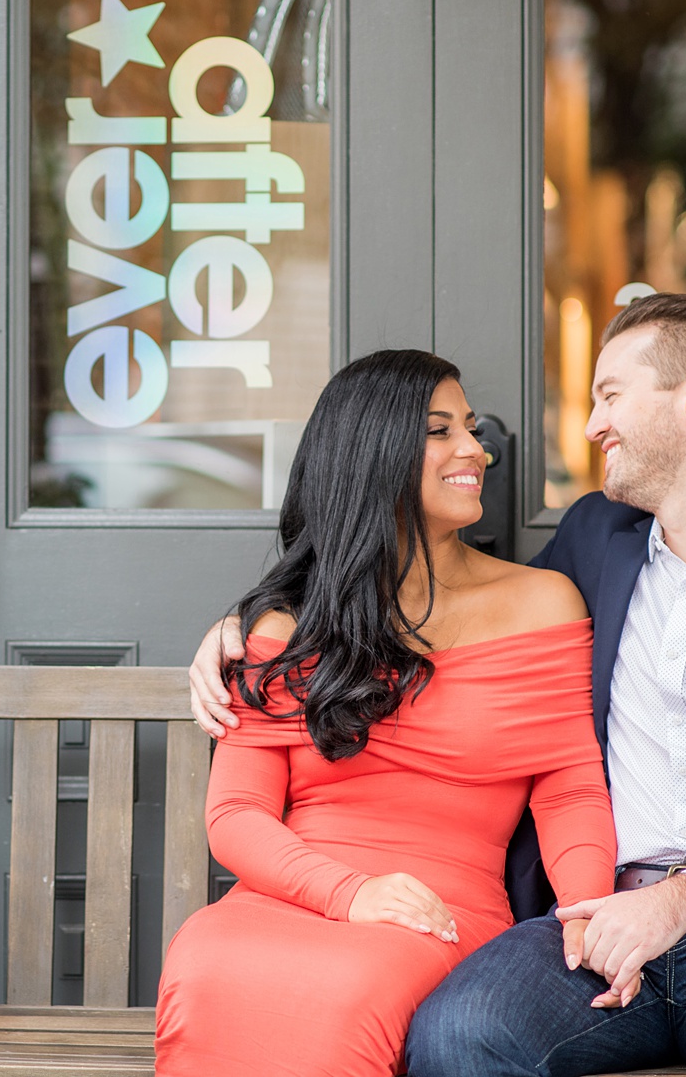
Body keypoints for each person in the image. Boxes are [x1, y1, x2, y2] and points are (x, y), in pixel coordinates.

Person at [187, 295, 686, 1077]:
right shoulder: (594, 540)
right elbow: (427, 620)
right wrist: (253, 622)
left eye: (609, 394)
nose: (588, 425)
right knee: (460, 1033)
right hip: (589, 921)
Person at [154, 349, 619, 1077]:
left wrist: (588, 908)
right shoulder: (288, 624)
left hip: (442, 910)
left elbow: (569, 785)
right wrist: (351, 892)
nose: (475, 449)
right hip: (295, 895)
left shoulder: (541, 603)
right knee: (205, 960)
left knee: (347, 992)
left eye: (470, 428)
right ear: (371, 454)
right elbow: (236, 814)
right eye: (440, 431)